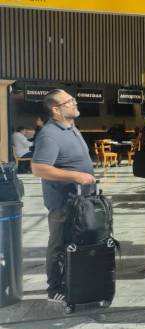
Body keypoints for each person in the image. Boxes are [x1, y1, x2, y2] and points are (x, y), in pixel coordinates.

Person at [31, 89, 97, 302]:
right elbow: (39, 168)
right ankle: (55, 288)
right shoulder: (49, 135)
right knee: (59, 244)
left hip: (81, 200)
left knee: (77, 243)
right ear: (55, 109)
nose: (74, 103)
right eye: (70, 101)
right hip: (63, 203)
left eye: (74, 99)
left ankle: (74, 281)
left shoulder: (71, 128)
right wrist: (76, 175)